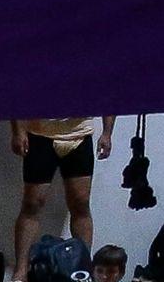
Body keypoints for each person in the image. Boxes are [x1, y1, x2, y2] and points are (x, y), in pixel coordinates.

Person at [13, 115, 116, 274]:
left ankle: (83, 269)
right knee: (32, 204)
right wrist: (18, 131)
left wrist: (107, 133)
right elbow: (17, 94)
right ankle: (20, 270)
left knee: (80, 204)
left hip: (79, 134)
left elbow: (107, 94)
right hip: (40, 134)